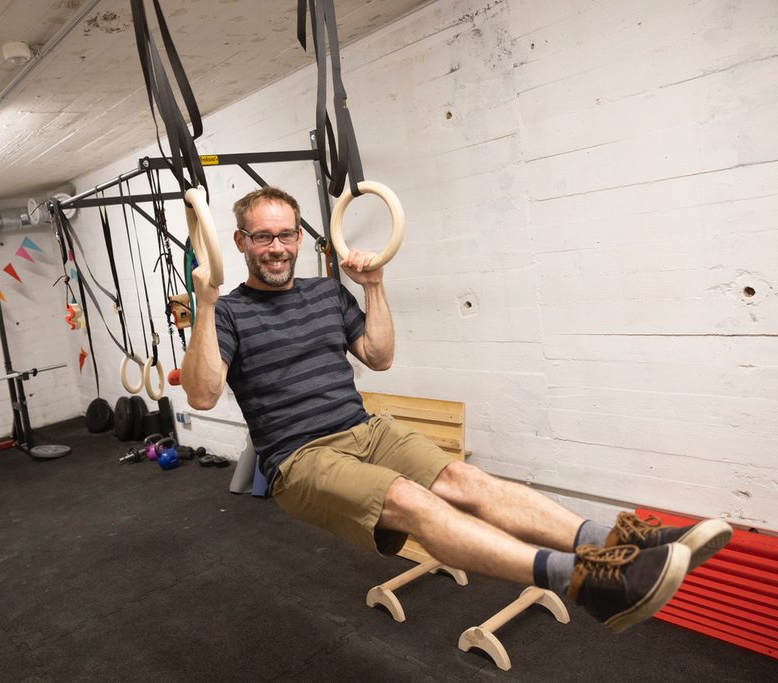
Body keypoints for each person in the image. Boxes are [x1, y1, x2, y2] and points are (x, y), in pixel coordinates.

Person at [180, 186, 732, 633]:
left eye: (286, 234)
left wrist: (373, 285)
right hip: (301, 458)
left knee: (467, 479)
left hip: (364, 429)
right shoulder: (226, 313)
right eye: (262, 237)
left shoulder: (326, 294)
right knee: (411, 501)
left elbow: (379, 355)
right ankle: (585, 579)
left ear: (300, 236)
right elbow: (203, 394)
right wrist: (205, 300)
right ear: (239, 241)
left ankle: (617, 544)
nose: (276, 247)